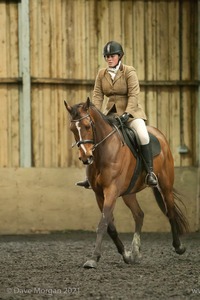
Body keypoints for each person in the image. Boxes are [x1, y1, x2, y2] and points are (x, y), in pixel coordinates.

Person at [77, 41, 157, 188]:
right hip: (110, 114)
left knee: (143, 135)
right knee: (95, 136)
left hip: (131, 114)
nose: (109, 58)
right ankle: (90, 177)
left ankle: (150, 172)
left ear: (119, 56)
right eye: (106, 56)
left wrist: (128, 113)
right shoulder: (101, 74)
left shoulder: (129, 71)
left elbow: (134, 94)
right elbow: (97, 96)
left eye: (112, 56)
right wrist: (95, 114)